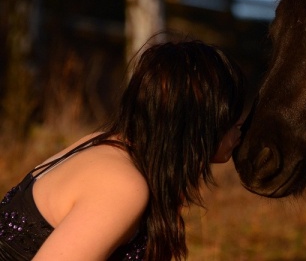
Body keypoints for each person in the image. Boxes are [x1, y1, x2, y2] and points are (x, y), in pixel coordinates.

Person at [0, 39, 245, 261]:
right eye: (231, 113)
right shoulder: (121, 185)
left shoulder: (104, 145)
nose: (240, 125)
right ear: (197, 123)